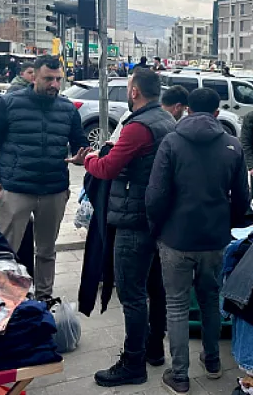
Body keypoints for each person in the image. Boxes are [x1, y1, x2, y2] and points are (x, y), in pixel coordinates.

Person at [70, 69, 176, 387]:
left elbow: (108, 168)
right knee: (155, 288)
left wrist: (87, 159)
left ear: (134, 93)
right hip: (158, 218)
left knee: (131, 293)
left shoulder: (137, 127)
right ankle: (154, 350)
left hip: (133, 219)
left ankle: (132, 363)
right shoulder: (167, 121)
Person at [146, 88, 250, 394]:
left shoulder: (172, 142)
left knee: (176, 305)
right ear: (217, 114)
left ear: (187, 110)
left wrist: (158, 229)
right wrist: (226, 224)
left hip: (176, 239)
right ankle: (213, 361)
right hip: (214, 240)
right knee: (209, 299)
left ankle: (179, 376)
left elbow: (155, 195)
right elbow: (243, 199)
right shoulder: (232, 145)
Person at [0, 55, 90, 302]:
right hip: (16, 190)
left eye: (58, 79)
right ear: (33, 76)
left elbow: (80, 143)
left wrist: (83, 157)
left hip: (54, 190)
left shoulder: (68, 109)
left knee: (47, 251)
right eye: (49, 79)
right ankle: (3, 300)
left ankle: (45, 298)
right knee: (7, 250)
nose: (55, 84)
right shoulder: (9, 103)